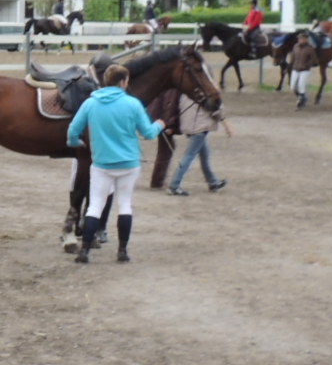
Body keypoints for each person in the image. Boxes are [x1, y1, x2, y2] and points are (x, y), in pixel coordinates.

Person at [65, 63, 164, 265]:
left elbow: (73, 130)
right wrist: (159, 125)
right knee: (125, 204)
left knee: (95, 206)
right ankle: (122, 251)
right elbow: (148, 133)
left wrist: (75, 142)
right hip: (129, 164)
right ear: (123, 82)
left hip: (102, 164)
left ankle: (84, 251)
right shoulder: (133, 104)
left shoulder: (91, 103)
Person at [167, 91, 231, 195]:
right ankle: (174, 185)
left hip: (188, 125)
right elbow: (214, 108)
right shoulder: (203, 90)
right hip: (199, 127)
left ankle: (213, 182)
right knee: (189, 156)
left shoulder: (185, 91)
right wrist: (226, 124)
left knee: (205, 154)